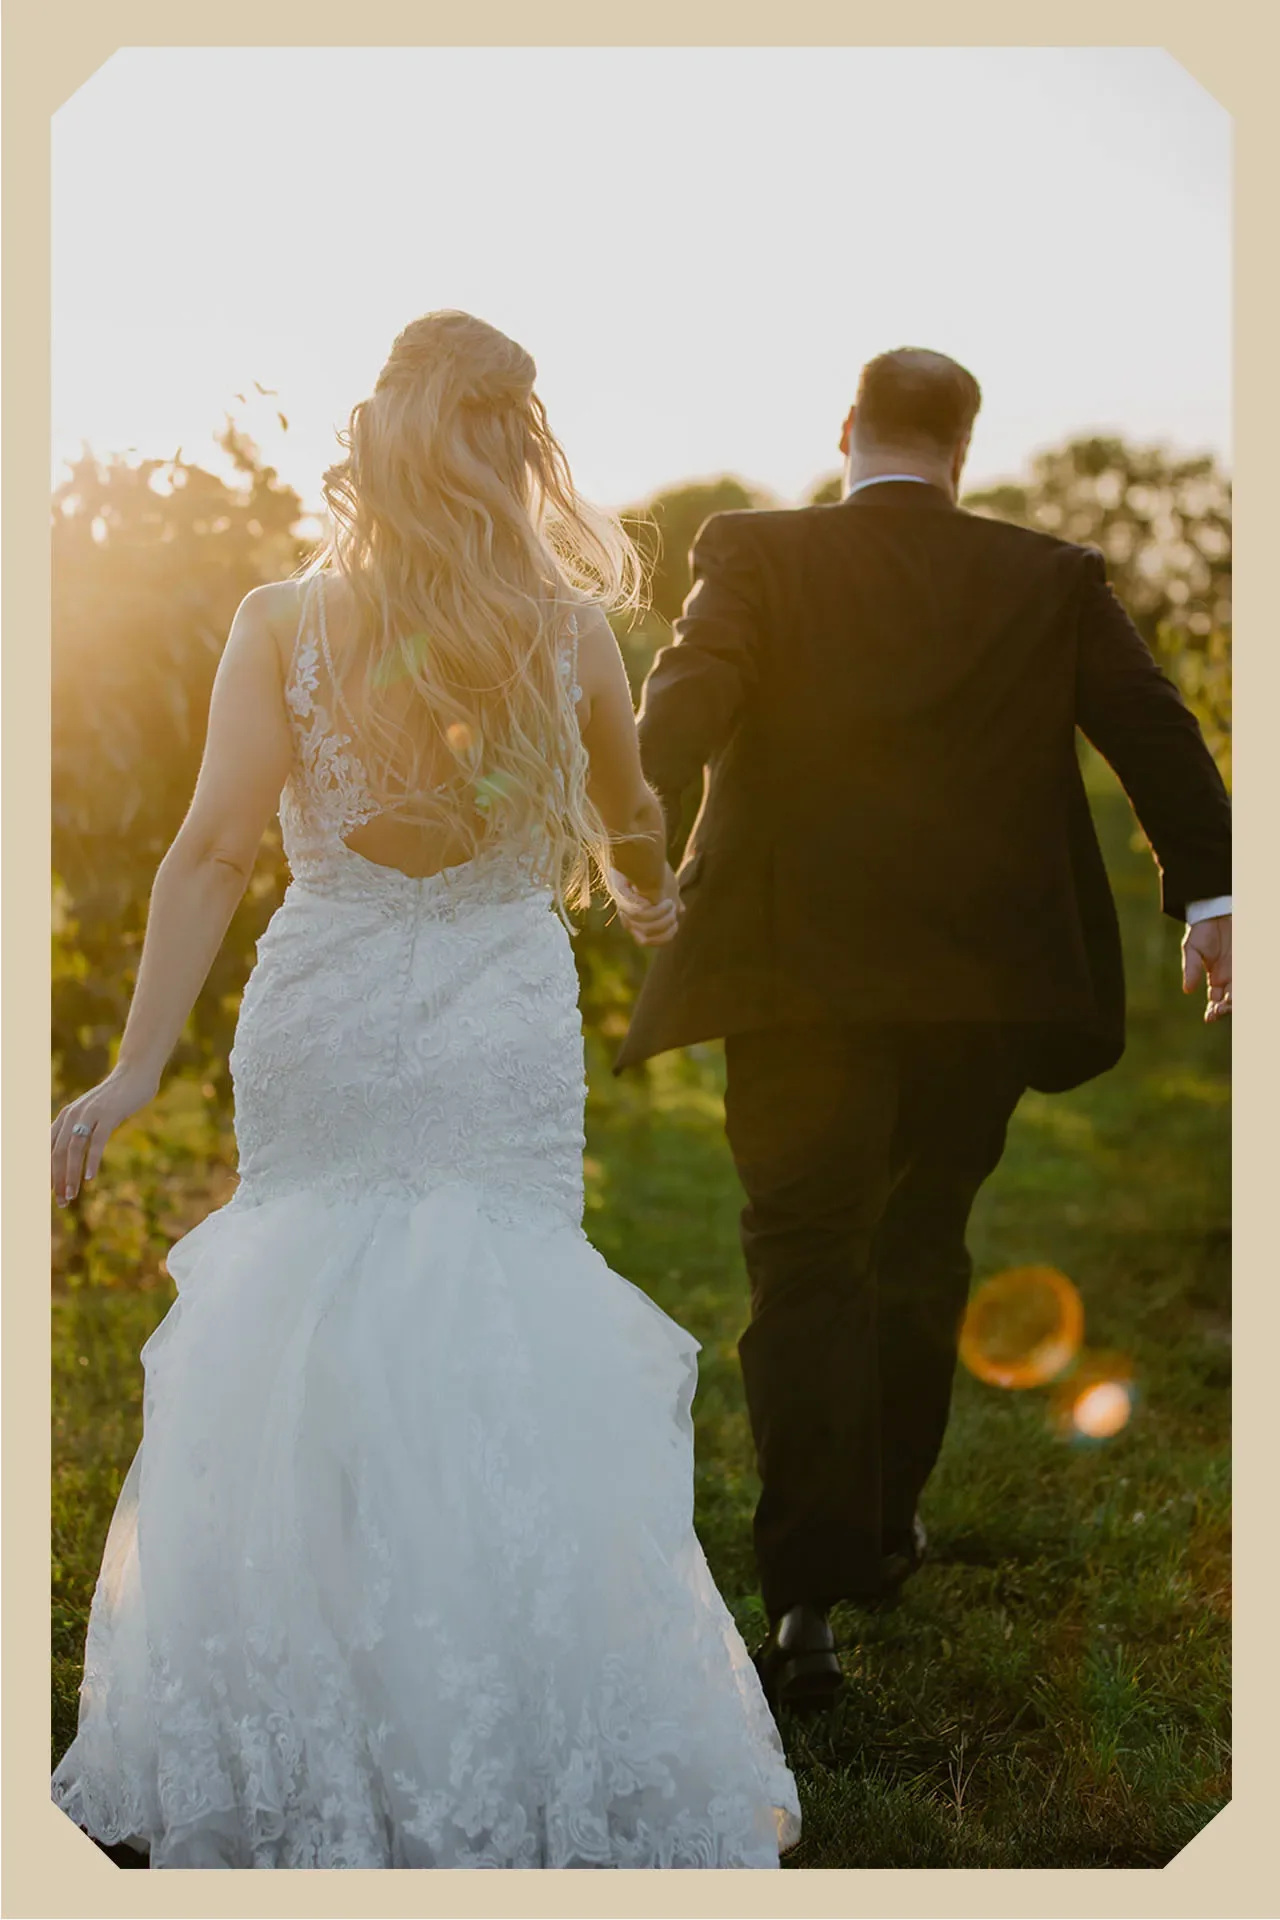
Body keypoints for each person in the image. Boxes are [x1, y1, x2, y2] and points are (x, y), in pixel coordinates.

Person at [49, 311, 800, 1869]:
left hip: (322, 997)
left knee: (299, 1323)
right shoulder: (573, 631)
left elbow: (212, 849)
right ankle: (503, 1721)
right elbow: (636, 803)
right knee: (500, 1324)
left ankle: (299, 1730)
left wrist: (132, 1068)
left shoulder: (281, 616)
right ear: (519, 445)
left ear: (380, 431)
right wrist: (649, 894)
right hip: (495, 1012)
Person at [612, 347, 1232, 1715]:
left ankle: (805, 1599)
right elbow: (1155, 724)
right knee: (922, 1239)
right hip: (980, 987)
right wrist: (1214, 896)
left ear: (846, 432)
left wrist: (628, 834)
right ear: (966, 445)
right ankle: (884, 1526)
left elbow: (689, 696)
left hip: (794, 977)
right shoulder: (1046, 573)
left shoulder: (754, 551)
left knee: (803, 1258)